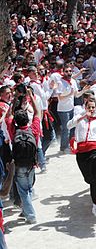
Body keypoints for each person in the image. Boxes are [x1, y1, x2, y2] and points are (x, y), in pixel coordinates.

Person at [67, 98, 96, 216]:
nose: (91, 109)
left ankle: (95, 205)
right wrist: (83, 116)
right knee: (88, 179)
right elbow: (69, 126)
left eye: (93, 107)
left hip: (94, 151)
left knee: (94, 178)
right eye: (89, 107)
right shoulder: (80, 118)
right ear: (85, 107)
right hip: (81, 152)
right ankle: (95, 192)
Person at [12, 87, 41, 224]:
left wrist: (14, 100)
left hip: (19, 165)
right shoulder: (33, 129)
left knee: (23, 190)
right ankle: (25, 210)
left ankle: (31, 215)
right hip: (31, 164)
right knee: (28, 188)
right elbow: (37, 112)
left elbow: (10, 116)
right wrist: (30, 95)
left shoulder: (14, 131)